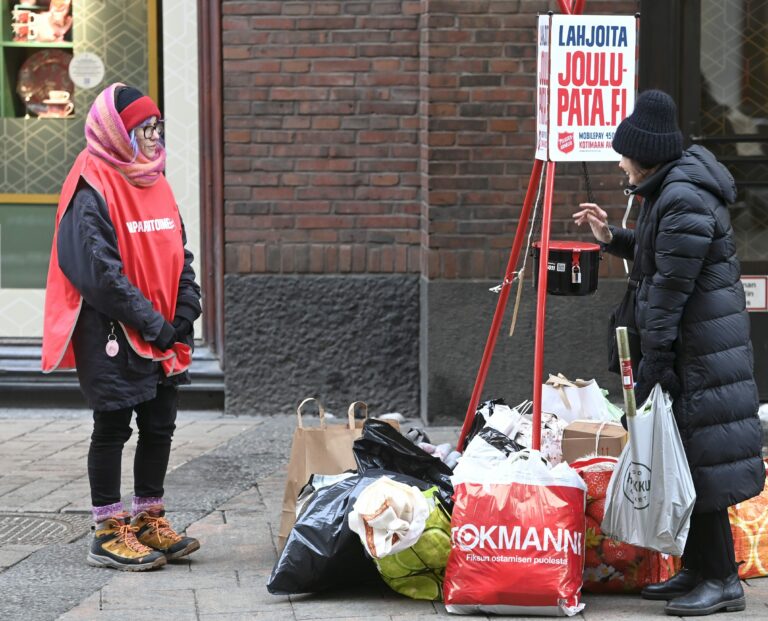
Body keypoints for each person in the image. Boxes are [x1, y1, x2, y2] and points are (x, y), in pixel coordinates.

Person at [573, 89, 764, 616]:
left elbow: (668, 292)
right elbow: (661, 253)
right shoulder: (673, 190)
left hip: (697, 356)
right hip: (695, 351)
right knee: (684, 458)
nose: (620, 164)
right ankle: (698, 570)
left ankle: (722, 580)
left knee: (700, 464)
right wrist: (612, 236)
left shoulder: (681, 197)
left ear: (645, 155)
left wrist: (654, 366)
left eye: (624, 156)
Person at [41, 83, 202, 571]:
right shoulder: (90, 186)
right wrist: (153, 323)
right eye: (143, 129)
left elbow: (179, 250)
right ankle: (108, 531)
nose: (154, 138)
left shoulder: (154, 177)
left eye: (157, 128)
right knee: (112, 427)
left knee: (160, 425)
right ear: (116, 132)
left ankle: (149, 518)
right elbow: (98, 272)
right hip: (112, 330)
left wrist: (186, 308)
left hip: (162, 330)